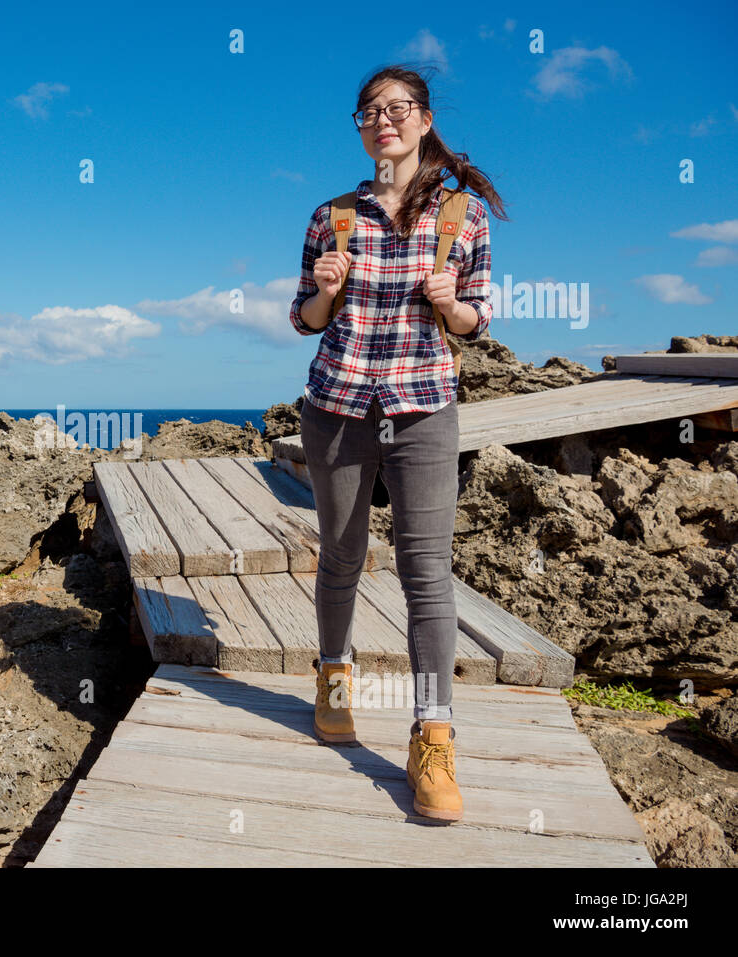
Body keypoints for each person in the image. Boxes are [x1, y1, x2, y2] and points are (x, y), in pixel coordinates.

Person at [288, 65, 508, 822]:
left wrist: (455, 309)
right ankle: (333, 679)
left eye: (398, 108)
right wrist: (325, 287)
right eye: (370, 111)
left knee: (427, 569)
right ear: (360, 127)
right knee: (342, 554)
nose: (384, 120)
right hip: (339, 405)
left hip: (422, 410)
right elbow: (305, 320)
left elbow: (480, 319)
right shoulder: (333, 215)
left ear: (423, 119)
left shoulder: (463, 217)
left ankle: (434, 734)